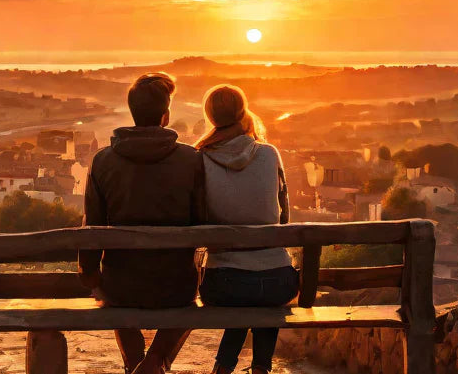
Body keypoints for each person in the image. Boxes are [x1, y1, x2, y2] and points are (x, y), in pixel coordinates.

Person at [79, 72, 206, 374]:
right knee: (188, 305)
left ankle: (138, 365)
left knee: (116, 298)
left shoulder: (103, 160)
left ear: (133, 113)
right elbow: (202, 222)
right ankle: (153, 363)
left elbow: (92, 226)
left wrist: (91, 277)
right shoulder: (191, 160)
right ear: (166, 116)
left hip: (121, 286)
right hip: (176, 286)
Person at [194, 85, 298, 374]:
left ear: (210, 116)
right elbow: (284, 216)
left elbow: (197, 218)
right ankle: (259, 368)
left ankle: (224, 367)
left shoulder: (198, 159)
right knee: (262, 292)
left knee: (244, 288)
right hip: (277, 281)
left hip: (224, 284)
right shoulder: (269, 154)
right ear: (243, 111)